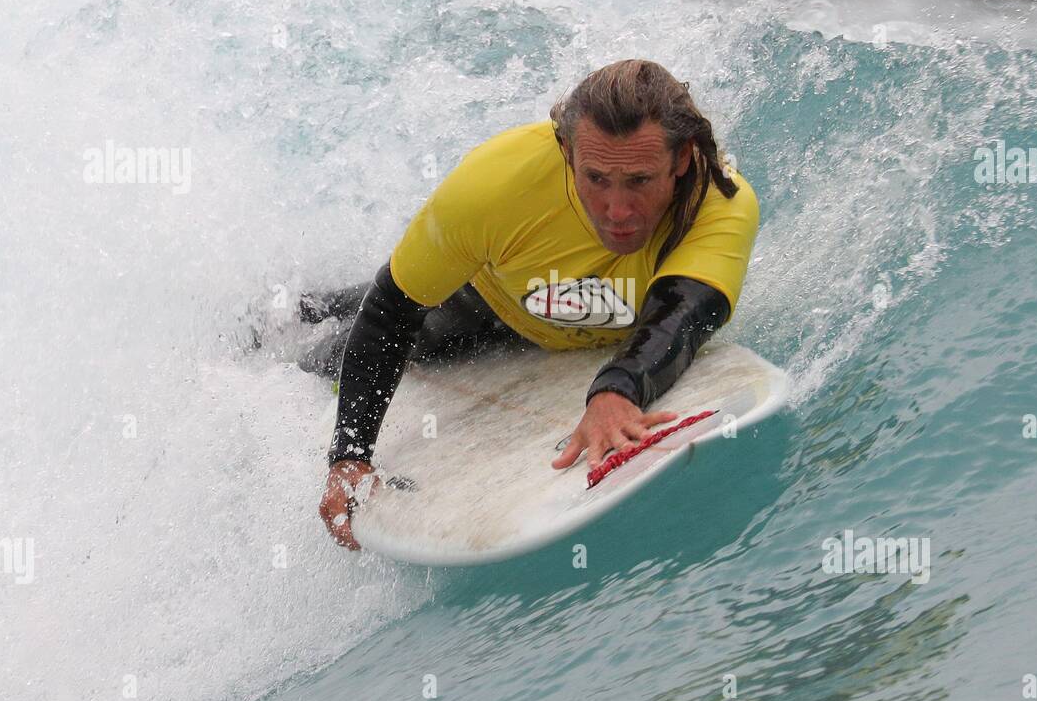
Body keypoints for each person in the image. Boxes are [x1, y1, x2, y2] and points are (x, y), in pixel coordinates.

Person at [313, 59, 760, 549]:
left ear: (681, 159)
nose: (617, 210)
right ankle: (287, 318)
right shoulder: (494, 184)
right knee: (325, 349)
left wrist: (617, 392)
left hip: (568, 313)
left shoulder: (719, 203)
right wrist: (349, 456)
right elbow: (389, 313)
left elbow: (683, 318)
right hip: (482, 307)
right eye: (595, 178)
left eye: (639, 180)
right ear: (566, 152)